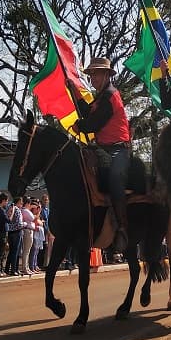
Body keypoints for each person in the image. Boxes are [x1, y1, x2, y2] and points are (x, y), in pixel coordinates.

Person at [70, 57, 131, 252]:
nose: (93, 78)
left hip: (118, 149)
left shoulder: (110, 96)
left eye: (96, 74)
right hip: (103, 148)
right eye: (92, 74)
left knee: (113, 180)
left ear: (106, 75)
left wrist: (80, 126)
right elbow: (88, 112)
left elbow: (93, 123)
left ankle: (122, 227)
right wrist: (75, 94)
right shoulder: (101, 96)